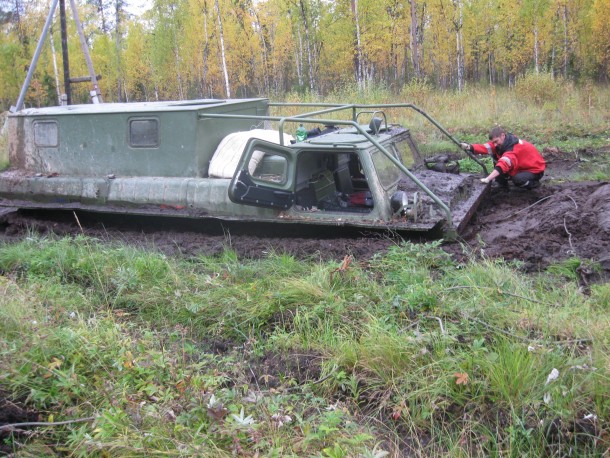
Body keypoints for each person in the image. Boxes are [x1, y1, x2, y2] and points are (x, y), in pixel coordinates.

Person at [460, 126, 546, 190]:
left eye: (496, 141)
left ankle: (534, 185)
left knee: (518, 179)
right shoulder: (505, 142)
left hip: (535, 170)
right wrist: (469, 147)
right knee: (495, 154)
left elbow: (503, 164)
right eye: (493, 142)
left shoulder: (513, 149)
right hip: (522, 165)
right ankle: (501, 183)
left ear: (503, 136)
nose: (495, 144)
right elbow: (486, 147)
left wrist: (488, 179)